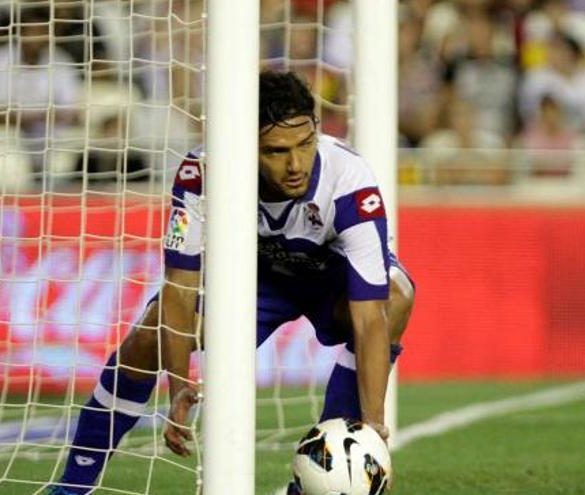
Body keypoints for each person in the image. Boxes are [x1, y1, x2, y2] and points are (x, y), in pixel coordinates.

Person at [48, 70, 415, 495]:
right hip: (251, 283)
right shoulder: (202, 174)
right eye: (276, 151)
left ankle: (328, 473)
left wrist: (371, 428)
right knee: (146, 338)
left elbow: (370, 317)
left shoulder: (350, 181)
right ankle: (73, 487)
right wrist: (179, 383)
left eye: (305, 144)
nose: (296, 164)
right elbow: (180, 288)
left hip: (328, 280)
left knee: (396, 295)